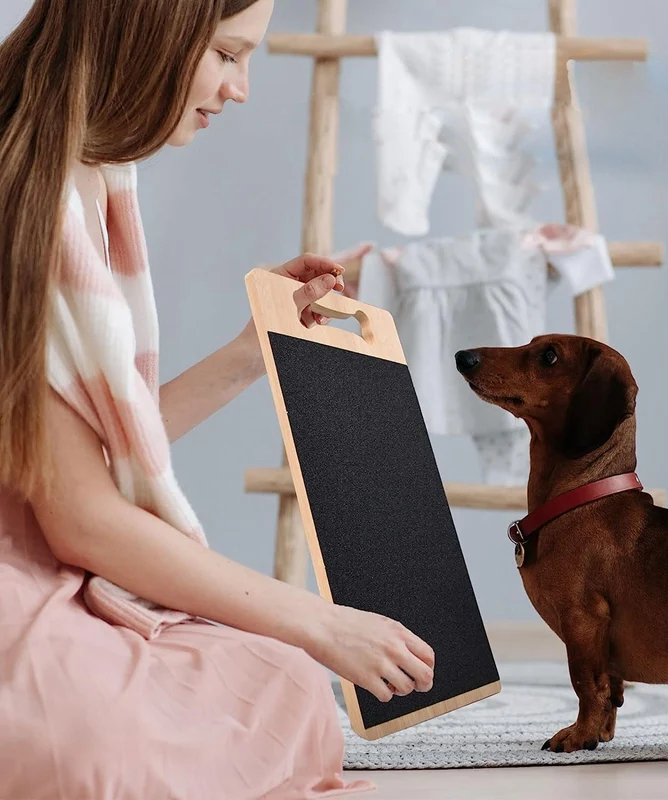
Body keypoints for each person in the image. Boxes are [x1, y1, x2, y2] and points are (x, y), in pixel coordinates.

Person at [0, 1, 435, 797]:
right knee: (104, 744)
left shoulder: (83, 172)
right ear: (152, 30)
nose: (240, 89)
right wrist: (322, 620)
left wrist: (249, 353)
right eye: (228, 54)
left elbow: (67, 463)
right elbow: (78, 515)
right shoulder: (29, 189)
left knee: (283, 689)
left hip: (34, 549)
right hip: (22, 568)